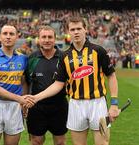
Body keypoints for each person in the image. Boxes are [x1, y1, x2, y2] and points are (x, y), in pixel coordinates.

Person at [26, 17, 120, 145]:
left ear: (85, 30)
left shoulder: (98, 51)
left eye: (79, 29)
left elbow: (111, 76)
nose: (76, 32)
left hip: (98, 103)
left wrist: (114, 104)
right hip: (75, 104)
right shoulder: (64, 56)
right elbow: (58, 84)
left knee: (103, 143)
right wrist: (36, 97)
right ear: (68, 32)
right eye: (72, 29)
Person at [0, 25, 34, 145]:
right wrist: (20, 99)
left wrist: (23, 103)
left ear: (16, 37)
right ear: (0, 37)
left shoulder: (23, 58)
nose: (8, 37)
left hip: (15, 108)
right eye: (5, 34)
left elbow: (23, 81)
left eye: (11, 34)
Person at [25, 26, 68, 145]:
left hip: (59, 106)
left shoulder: (64, 57)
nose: (47, 40)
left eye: (50, 37)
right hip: (36, 107)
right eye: (44, 37)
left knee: (60, 142)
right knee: (36, 141)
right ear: (39, 39)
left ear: (55, 39)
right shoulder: (32, 58)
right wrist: (24, 103)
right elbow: (26, 82)